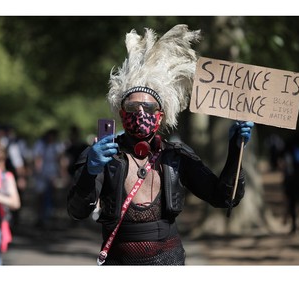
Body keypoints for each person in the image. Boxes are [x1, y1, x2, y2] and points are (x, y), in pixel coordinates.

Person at [67, 24, 254, 265]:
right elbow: (77, 211)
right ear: (122, 113)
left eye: (149, 107)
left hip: (169, 261)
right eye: (133, 108)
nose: (141, 113)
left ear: (161, 114)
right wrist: (90, 172)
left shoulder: (176, 157)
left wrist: (236, 147)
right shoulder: (104, 155)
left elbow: (225, 197)